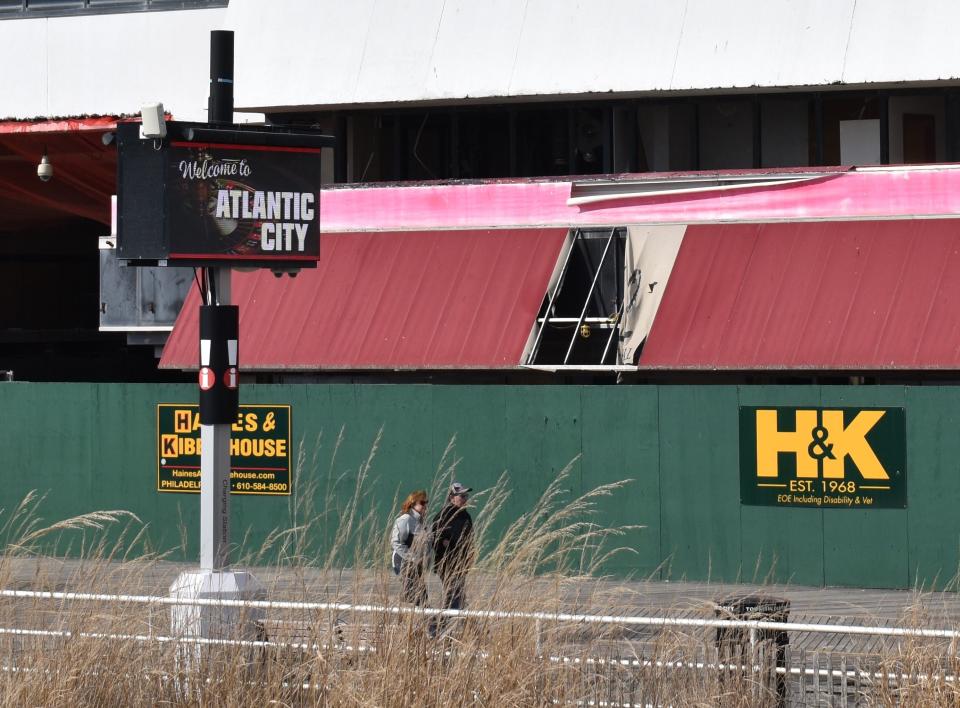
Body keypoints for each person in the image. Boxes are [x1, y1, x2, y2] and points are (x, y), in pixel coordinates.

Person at [432, 482, 474, 616]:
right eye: (461, 496)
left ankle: (467, 629)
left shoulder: (465, 516)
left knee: (458, 599)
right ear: (451, 498)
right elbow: (434, 539)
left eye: (466, 496)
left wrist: (469, 555)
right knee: (454, 598)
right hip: (447, 566)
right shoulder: (443, 516)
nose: (465, 498)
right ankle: (436, 629)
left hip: (461, 565)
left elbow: (469, 539)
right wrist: (447, 546)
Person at [390, 490, 429, 606]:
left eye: (426, 502)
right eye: (422, 502)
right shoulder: (405, 519)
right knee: (415, 599)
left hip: (416, 565)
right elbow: (395, 542)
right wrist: (413, 558)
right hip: (403, 563)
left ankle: (416, 621)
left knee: (421, 598)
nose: (425, 505)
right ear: (412, 503)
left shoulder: (420, 521)